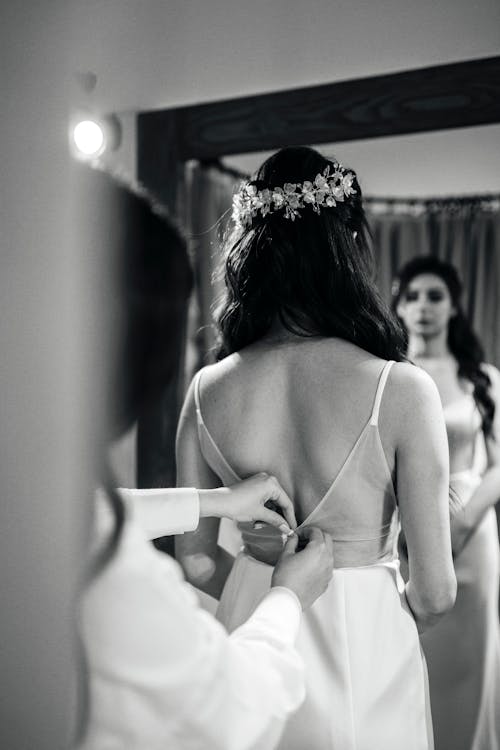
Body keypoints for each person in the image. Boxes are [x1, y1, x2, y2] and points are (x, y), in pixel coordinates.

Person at [175, 146, 457, 750]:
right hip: (367, 640)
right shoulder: (400, 389)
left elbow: (196, 560)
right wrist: (371, 615)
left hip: (253, 622)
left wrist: (264, 587)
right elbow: (435, 592)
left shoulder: (205, 391)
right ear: (349, 248)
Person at [75, 163, 335, 750]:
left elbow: (93, 514)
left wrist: (216, 501)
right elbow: (230, 711)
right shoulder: (114, 580)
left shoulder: (30, 496)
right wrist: (287, 597)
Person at [393, 255, 500, 750]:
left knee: (470, 662)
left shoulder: (484, 379)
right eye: (412, 296)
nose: (422, 307)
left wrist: (466, 519)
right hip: (405, 536)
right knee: (411, 660)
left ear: (454, 305)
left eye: (434, 296)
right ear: (398, 305)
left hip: (473, 536)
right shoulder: (389, 375)